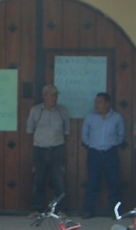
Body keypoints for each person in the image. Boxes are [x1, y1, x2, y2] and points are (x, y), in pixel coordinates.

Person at [25, 84, 70, 216]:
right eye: (51, 95)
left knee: (59, 180)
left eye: (56, 95)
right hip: (40, 149)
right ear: (44, 96)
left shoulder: (62, 111)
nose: (54, 98)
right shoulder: (35, 111)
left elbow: (67, 131)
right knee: (38, 179)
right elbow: (30, 129)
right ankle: (36, 209)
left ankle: (61, 210)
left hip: (57, 149)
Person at [81, 92, 125, 219]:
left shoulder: (117, 118)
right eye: (96, 102)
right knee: (92, 182)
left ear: (107, 103)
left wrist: (113, 144)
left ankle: (115, 211)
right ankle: (89, 210)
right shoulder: (90, 117)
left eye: (99, 102)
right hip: (94, 153)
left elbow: (121, 135)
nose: (97, 105)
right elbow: (85, 135)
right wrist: (92, 145)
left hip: (111, 152)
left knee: (114, 182)